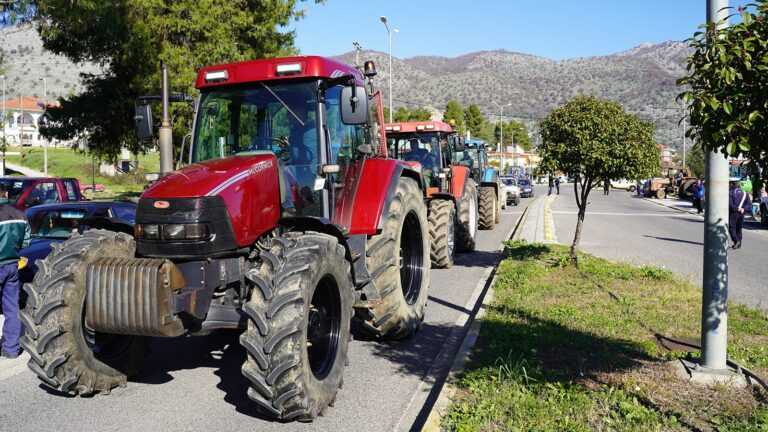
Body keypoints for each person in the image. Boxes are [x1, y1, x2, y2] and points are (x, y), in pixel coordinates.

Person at [0, 184, 30, 359]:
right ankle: (11, 349)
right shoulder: (20, 215)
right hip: (12, 265)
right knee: (11, 308)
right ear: (6, 193)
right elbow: (26, 243)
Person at [729, 180, 751, 249]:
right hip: (741, 213)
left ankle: (736, 240)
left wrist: (736, 208)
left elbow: (730, 204)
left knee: (732, 227)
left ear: (732, 184)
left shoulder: (730, 193)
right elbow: (749, 204)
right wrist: (744, 209)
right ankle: (739, 244)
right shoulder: (745, 193)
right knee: (739, 228)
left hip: (733, 213)